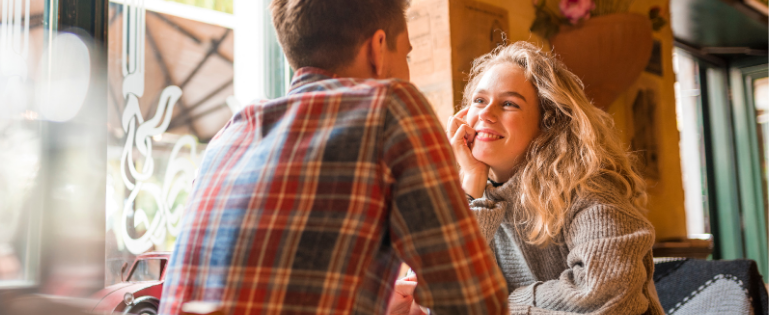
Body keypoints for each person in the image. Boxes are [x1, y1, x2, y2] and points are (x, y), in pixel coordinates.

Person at [158, 1, 509, 314]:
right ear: (378, 47)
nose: (407, 69)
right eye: (407, 54)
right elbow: (474, 301)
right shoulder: (389, 107)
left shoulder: (230, 135)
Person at [443, 41, 665, 314]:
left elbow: (603, 294)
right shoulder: (478, 196)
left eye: (509, 103)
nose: (486, 114)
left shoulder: (591, 192)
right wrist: (471, 184)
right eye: (479, 100)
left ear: (546, 123)